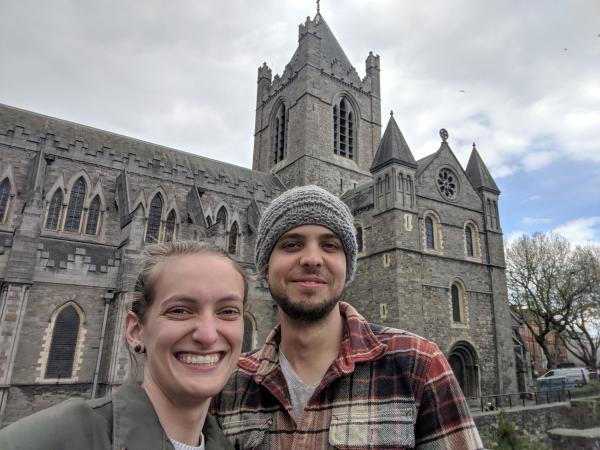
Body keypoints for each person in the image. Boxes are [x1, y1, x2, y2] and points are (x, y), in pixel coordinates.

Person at [212, 185, 484, 449]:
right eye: (291, 244)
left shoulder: (420, 364)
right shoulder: (226, 383)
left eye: (330, 245)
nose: (312, 259)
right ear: (264, 265)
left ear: (348, 265)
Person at [0, 241, 245, 450]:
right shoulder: (41, 441)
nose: (208, 335)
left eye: (228, 311)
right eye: (179, 310)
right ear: (135, 330)